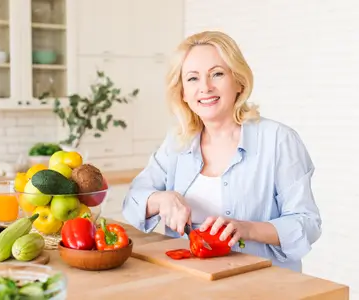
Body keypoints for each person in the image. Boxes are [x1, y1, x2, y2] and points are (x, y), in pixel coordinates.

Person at [121, 30, 322, 272]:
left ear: (238, 82)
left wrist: (247, 229)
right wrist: (161, 199)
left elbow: (307, 223)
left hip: (263, 283)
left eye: (217, 74)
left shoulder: (278, 140)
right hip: (188, 280)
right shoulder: (177, 142)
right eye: (192, 78)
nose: (205, 87)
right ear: (183, 92)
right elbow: (133, 200)